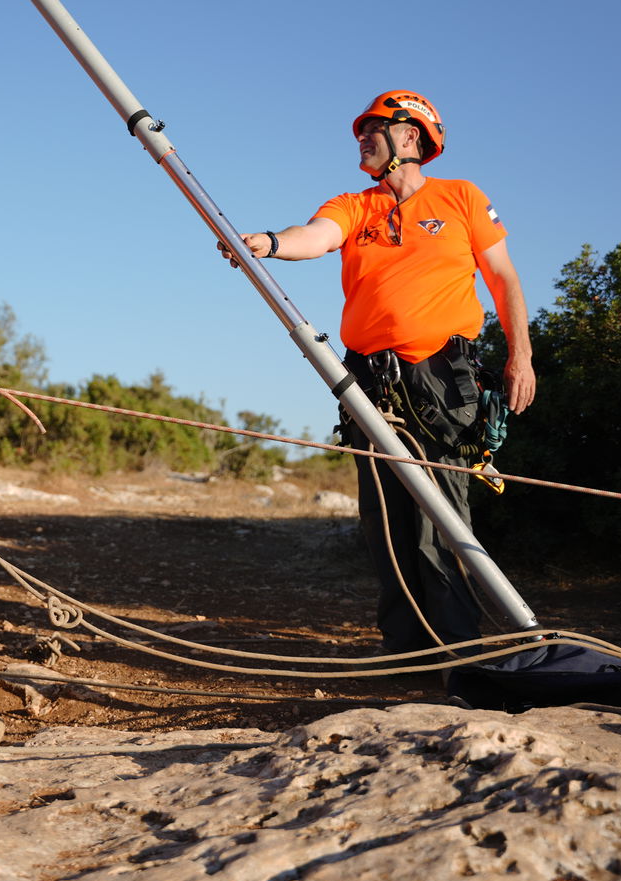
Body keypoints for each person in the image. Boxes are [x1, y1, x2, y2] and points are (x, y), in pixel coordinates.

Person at [222, 90, 535, 655]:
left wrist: (522, 357)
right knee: (384, 521)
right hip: (368, 380)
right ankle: (404, 651)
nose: (361, 138)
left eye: (374, 128)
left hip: (442, 377)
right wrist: (268, 243)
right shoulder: (354, 205)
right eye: (360, 130)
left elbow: (503, 278)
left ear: (410, 136)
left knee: (438, 518)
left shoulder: (462, 197)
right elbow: (316, 235)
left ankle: (459, 653)